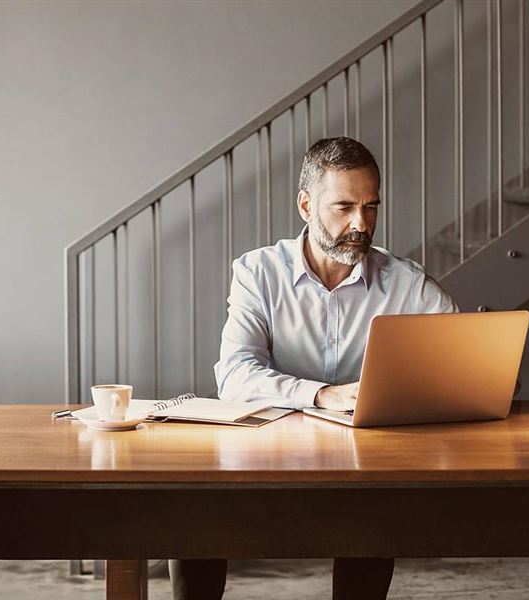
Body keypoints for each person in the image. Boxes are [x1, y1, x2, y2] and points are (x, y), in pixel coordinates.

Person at [170, 136, 457, 600]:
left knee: (372, 509)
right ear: (306, 205)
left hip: (366, 465)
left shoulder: (407, 284)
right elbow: (235, 376)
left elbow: (464, 362)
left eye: (370, 207)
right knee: (191, 510)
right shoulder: (258, 273)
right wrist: (322, 394)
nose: (361, 224)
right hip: (265, 459)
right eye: (343, 207)